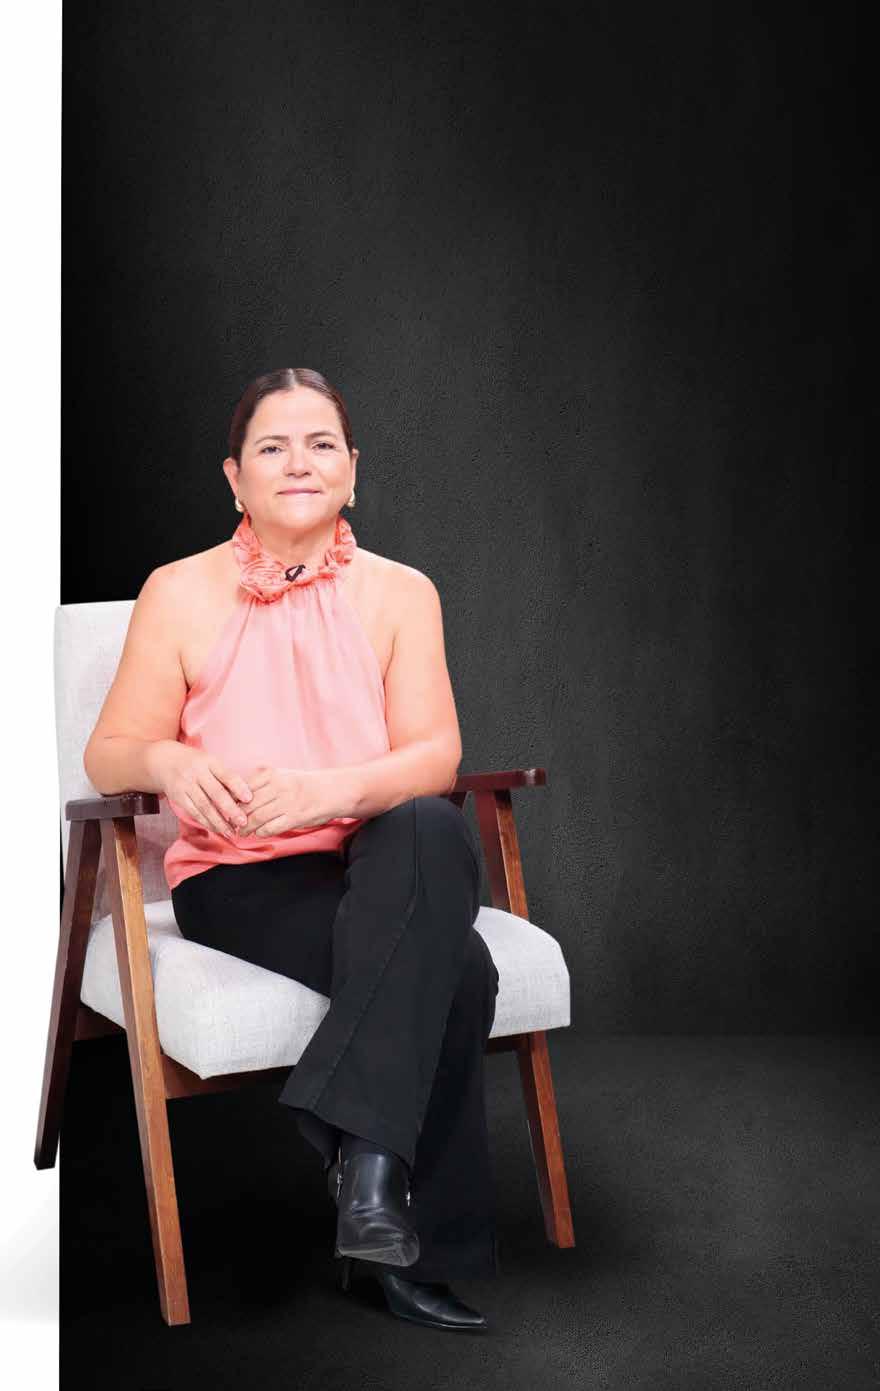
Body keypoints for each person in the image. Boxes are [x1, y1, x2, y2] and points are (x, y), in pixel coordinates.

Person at [82, 366, 500, 1333]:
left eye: (320, 444)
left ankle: (365, 1171)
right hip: (242, 874)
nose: (299, 462)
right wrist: (168, 761)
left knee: (431, 821)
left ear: (353, 469)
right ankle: (396, 1226)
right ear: (235, 477)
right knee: (462, 969)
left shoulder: (403, 593)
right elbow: (109, 750)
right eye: (272, 446)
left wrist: (328, 791)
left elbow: (435, 756)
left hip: (373, 856)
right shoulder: (177, 591)